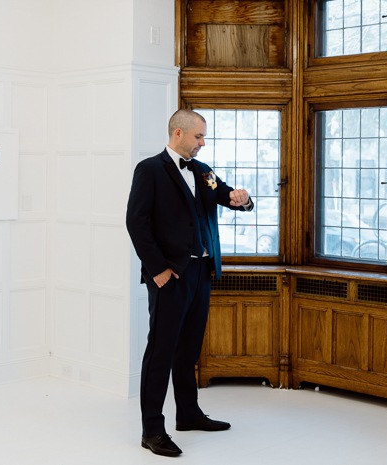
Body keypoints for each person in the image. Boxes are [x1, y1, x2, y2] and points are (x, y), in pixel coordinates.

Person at [126, 109, 254, 457]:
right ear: (178, 133)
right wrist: (158, 271)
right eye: (198, 137)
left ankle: (189, 413)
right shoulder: (150, 170)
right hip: (170, 276)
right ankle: (152, 429)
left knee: (189, 347)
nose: (203, 143)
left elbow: (226, 196)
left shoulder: (202, 171)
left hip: (201, 272)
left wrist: (241, 200)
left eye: (204, 137)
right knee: (161, 352)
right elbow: (137, 223)